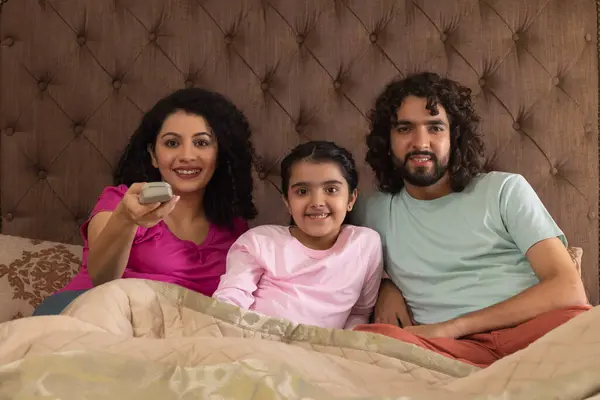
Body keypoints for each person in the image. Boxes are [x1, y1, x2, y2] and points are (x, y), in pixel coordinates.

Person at [351, 72, 590, 367]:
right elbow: (327, 254)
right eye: (404, 128)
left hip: (539, 330)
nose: (420, 142)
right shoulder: (369, 212)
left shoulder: (504, 190)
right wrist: (385, 286)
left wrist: (452, 327)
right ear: (387, 142)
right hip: (448, 351)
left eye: (435, 127)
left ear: (455, 137)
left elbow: (568, 287)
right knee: (364, 344)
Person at [32, 88, 258, 316]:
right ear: (152, 155)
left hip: (170, 336)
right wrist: (126, 219)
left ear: (219, 155)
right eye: (172, 143)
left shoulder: (235, 229)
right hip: (86, 315)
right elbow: (101, 278)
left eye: (201, 143)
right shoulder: (122, 200)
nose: (187, 155)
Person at [213, 141, 384, 330]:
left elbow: (359, 312)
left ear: (351, 199)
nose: (317, 202)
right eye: (302, 192)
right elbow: (229, 300)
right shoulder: (259, 242)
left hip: (325, 352)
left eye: (331, 190)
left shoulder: (366, 244)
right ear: (287, 201)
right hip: (259, 344)